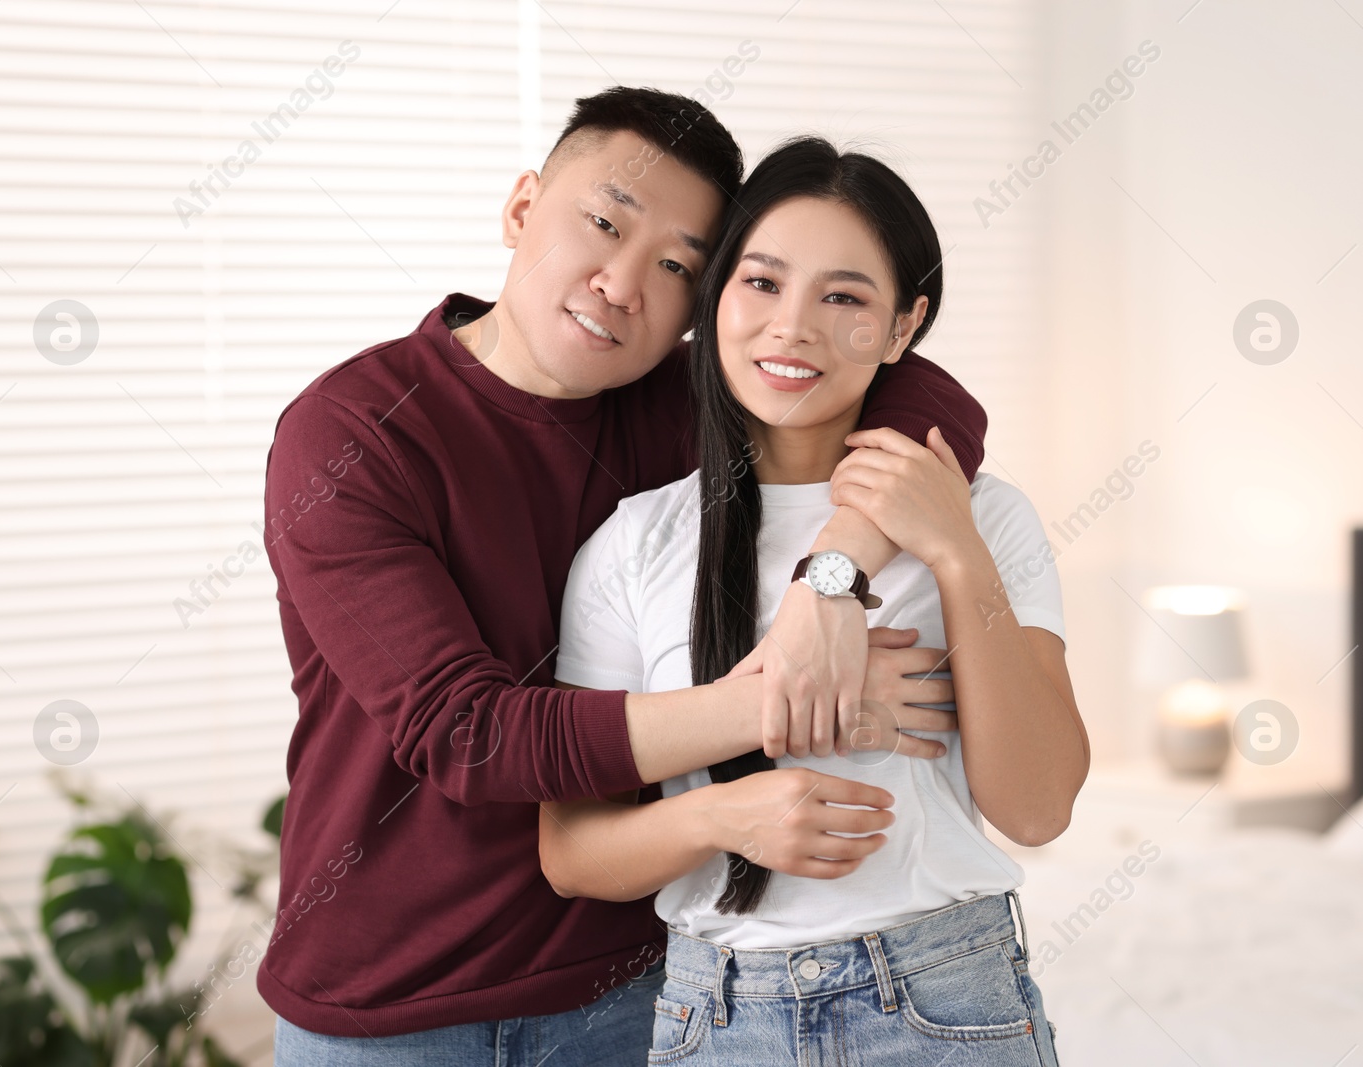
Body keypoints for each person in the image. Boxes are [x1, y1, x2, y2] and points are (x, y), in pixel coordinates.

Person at [259, 89, 993, 1064]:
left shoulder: (685, 413)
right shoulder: (352, 434)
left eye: (678, 265)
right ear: (523, 209)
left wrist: (829, 578)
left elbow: (934, 400)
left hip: (636, 983)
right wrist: (789, 700)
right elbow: (466, 733)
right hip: (390, 1002)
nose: (620, 281)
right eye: (602, 222)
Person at [542, 136, 1089, 1065]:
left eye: (844, 297)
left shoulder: (986, 515)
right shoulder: (638, 542)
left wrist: (955, 552)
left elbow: (1037, 807)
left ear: (904, 327)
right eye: (761, 282)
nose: (790, 327)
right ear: (716, 295)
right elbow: (574, 852)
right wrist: (727, 814)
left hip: (946, 999)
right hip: (715, 1015)